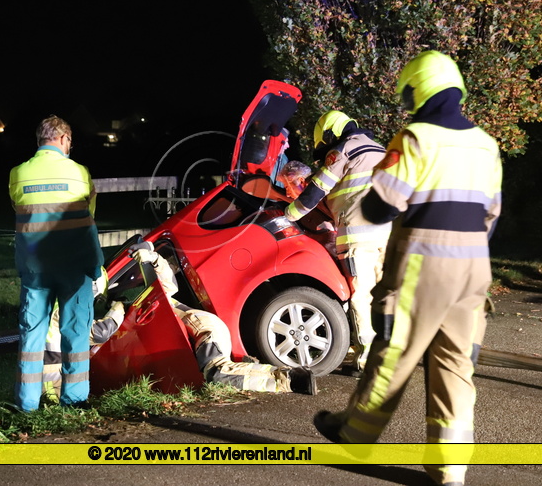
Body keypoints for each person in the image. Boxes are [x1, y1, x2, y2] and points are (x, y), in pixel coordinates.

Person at [313, 51, 503, 486]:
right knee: (456, 367)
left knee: (394, 352)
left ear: (419, 91)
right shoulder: (486, 145)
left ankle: (355, 435)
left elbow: (380, 206)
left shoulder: (414, 138)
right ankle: (449, 470)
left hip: (424, 263)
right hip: (475, 269)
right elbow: (492, 215)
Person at [130, 243, 317, 395]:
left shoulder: (143, 302)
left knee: (217, 373)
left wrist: (154, 258)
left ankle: (290, 379)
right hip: (205, 331)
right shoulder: (139, 306)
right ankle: (250, 366)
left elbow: (168, 284)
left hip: (204, 330)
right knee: (216, 371)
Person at [283, 110, 391, 373]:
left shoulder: (343, 151)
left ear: (330, 135)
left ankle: (368, 359)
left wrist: (288, 214)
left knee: (362, 295)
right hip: (389, 233)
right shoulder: (380, 150)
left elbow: (316, 191)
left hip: (359, 237)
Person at [9, 115, 103, 411]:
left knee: (31, 335)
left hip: (35, 268)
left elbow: (20, 209)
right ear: (63, 139)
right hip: (75, 267)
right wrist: (96, 266)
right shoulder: (80, 173)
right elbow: (89, 217)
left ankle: (26, 404)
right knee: (75, 334)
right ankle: (73, 401)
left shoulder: (18, 174)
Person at [43, 269, 126, 402]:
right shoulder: (67, 307)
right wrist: (118, 310)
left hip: (43, 367)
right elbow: (99, 333)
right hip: (51, 376)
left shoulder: (58, 299)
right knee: (57, 407)